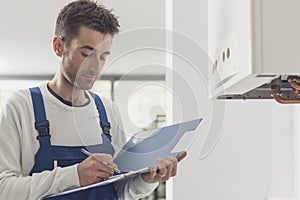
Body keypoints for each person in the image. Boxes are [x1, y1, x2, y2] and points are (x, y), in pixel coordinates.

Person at [0, 0, 186, 199]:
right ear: (58, 46)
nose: (95, 67)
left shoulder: (108, 112)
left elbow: (120, 191)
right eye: (86, 54)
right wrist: (74, 176)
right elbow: (4, 189)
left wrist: (146, 180)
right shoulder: (21, 106)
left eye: (103, 56)